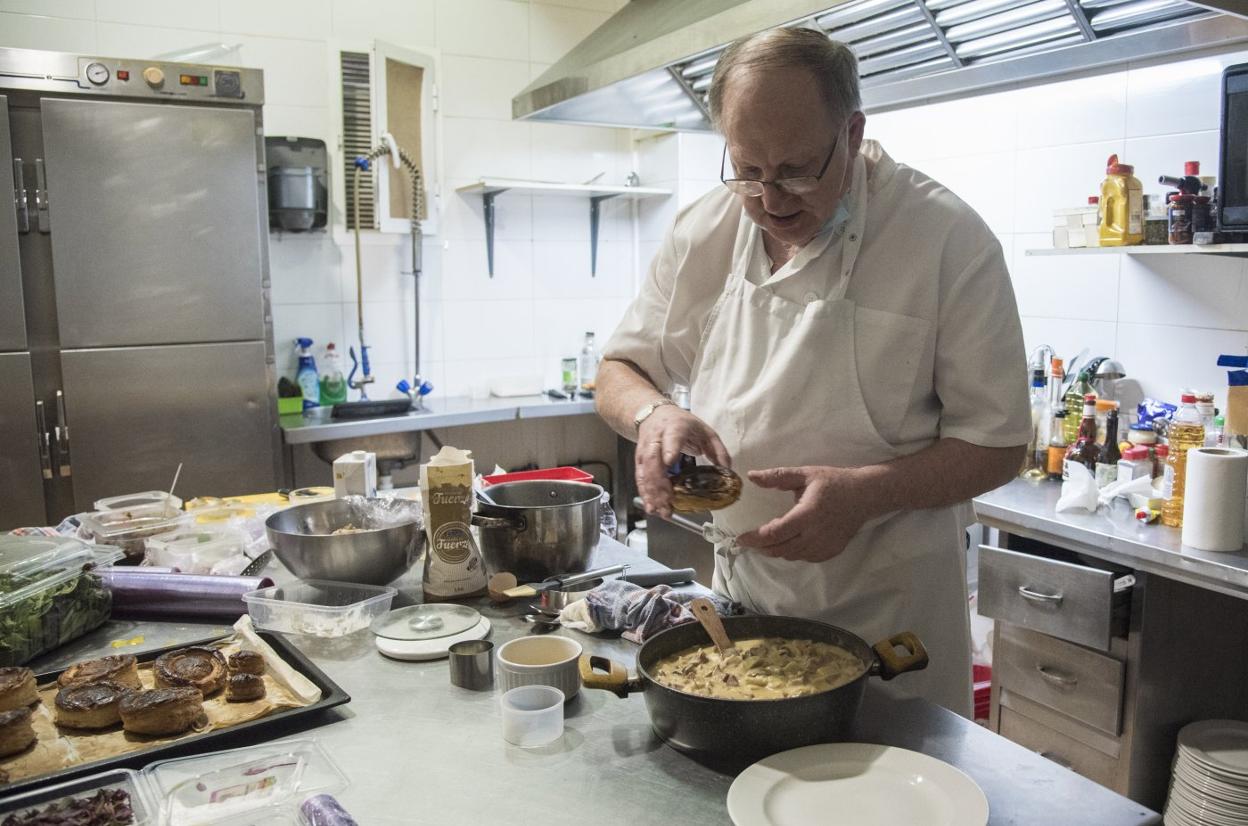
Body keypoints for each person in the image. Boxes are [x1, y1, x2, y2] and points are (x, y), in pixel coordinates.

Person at [594, 28, 1030, 715]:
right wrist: (656, 415)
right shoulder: (703, 231)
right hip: (741, 610)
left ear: (852, 134)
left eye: (797, 170)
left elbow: (1000, 443)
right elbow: (620, 369)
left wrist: (864, 494)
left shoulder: (946, 240)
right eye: (747, 170)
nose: (771, 199)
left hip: (893, 629)